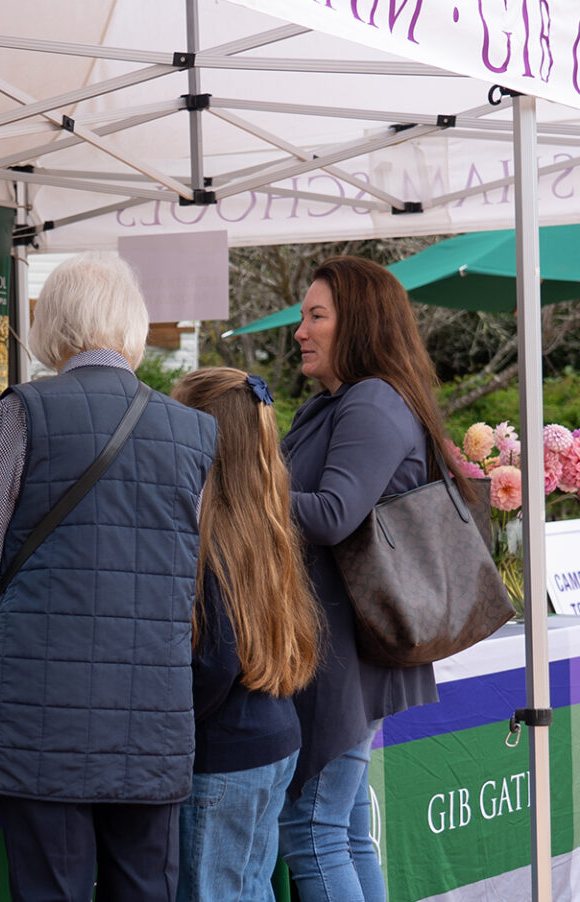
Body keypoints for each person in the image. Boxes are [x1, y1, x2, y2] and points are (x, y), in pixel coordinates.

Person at [0, 252, 217, 902]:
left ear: (52, 323)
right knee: (146, 887)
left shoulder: (21, 412)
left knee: (50, 889)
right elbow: (190, 574)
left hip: (39, 711)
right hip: (152, 710)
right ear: (131, 323)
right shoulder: (195, 432)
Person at [277, 257, 450, 902]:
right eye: (302, 317)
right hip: (339, 649)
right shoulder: (336, 405)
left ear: (360, 324)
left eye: (316, 316)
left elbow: (330, 515)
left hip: (344, 655)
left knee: (312, 830)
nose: (301, 331)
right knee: (343, 832)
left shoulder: (373, 400)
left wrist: (240, 491)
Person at [169, 367, 322, 902]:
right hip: (273, 738)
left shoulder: (212, 535)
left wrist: (169, 718)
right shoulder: (265, 518)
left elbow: (216, 659)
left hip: (224, 756)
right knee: (250, 889)